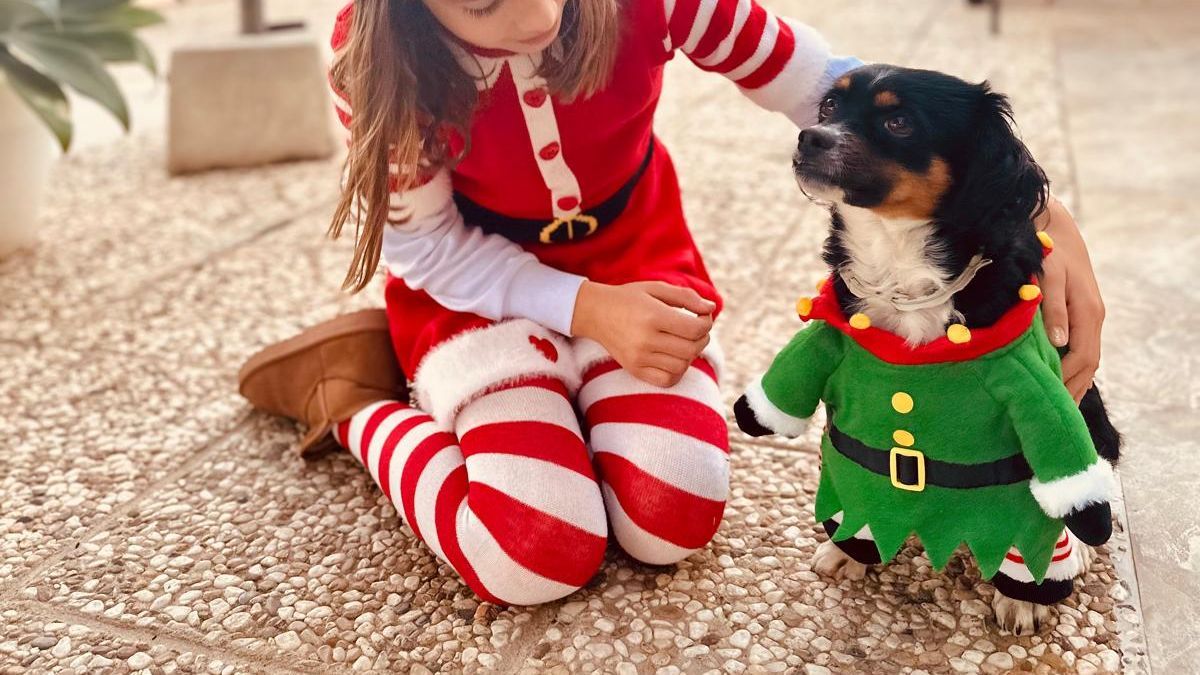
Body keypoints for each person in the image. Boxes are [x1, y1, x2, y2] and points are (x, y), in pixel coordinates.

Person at [238, 0, 1106, 606]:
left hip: (639, 264)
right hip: (476, 293)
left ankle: (561, 416)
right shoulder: (373, 56)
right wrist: (586, 309)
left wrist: (1035, 206)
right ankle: (351, 401)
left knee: (670, 516)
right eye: (482, 2)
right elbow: (425, 245)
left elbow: (825, 85)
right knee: (532, 553)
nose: (539, 17)